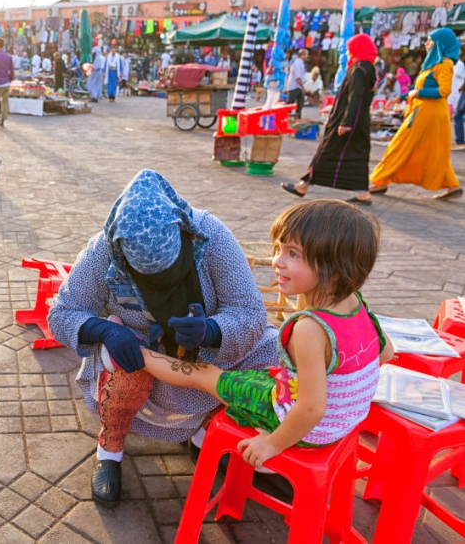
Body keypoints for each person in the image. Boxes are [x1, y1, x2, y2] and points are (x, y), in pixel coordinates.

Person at [49, 170, 279, 508]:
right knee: (128, 370)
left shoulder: (211, 235)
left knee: (273, 352)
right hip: (144, 356)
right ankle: (109, 452)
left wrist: (211, 330)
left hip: (209, 357)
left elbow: (249, 312)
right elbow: (62, 313)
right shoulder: (103, 251)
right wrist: (106, 331)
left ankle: (204, 436)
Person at [133, 199, 392, 469]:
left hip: (304, 428)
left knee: (204, 373)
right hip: (344, 423)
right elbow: (387, 352)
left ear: (335, 270)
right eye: (279, 249)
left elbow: (312, 408)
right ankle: (204, 432)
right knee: (255, 370)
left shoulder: (309, 329)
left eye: (293, 254)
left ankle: (137, 353)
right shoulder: (355, 304)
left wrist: (272, 444)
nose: (277, 261)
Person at [281, 34, 378, 205]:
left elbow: (355, 98)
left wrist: (346, 123)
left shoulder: (359, 69)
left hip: (347, 121)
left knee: (326, 152)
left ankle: (303, 185)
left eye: (350, 48)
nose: (347, 52)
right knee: (357, 156)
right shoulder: (367, 68)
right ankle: (363, 192)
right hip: (358, 121)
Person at [369, 28, 464, 200]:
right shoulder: (432, 64)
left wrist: (416, 94)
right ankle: (453, 185)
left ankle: (379, 180)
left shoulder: (446, 64)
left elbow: (444, 91)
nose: (427, 44)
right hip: (424, 110)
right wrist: (401, 97)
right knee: (435, 151)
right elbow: (420, 88)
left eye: (430, 41)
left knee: (399, 145)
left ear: (440, 43)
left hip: (430, 113)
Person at [285, 49, 308, 120]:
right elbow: (298, 78)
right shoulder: (297, 63)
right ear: (303, 55)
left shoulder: (300, 63)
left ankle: (298, 116)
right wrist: (303, 87)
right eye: (306, 54)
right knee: (291, 103)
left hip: (298, 86)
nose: (307, 56)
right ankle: (286, 116)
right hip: (294, 86)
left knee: (300, 101)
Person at [452, 52, 465, 151]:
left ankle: (459, 140)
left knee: (457, 115)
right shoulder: (460, 64)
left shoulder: (460, 64)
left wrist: (461, 87)